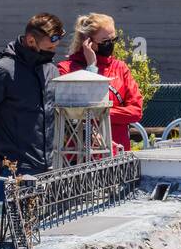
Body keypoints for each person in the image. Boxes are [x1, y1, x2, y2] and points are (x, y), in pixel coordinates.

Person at [0, 14, 64, 192]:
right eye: (49, 47)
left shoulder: (51, 70)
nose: (53, 51)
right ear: (31, 40)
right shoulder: (2, 71)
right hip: (15, 171)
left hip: (50, 169)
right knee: (13, 220)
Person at [57, 13, 144, 154]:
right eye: (105, 41)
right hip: (79, 154)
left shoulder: (120, 68)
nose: (110, 45)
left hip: (117, 152)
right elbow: (74, 112)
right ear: (88, 42)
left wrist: (101, 112)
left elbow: (136, 111)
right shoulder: (66, 69)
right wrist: (92, 66)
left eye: (113, 39)